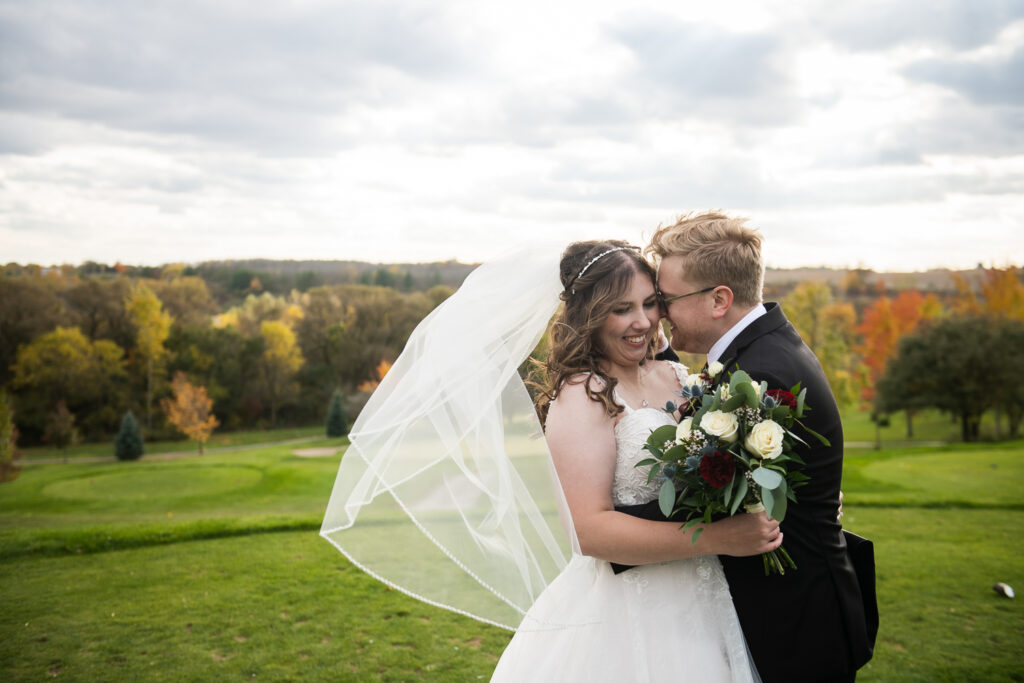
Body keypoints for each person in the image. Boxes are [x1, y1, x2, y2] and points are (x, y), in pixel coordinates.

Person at [489, 240, 780, 681]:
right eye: (622, 308)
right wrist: (721, 537)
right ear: (589, 314)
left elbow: (716, 475)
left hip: (708, 601)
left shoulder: (679, 377)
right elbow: (590, 531)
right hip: (629, 611)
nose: (642, 322)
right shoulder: (583, 394)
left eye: (650, 304)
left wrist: (776, 493)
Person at [645, 212, 874, 682]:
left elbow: (707, 503)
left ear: (719, 299)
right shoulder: (758, 350)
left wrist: (602, 527)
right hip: (797, 607)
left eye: (665, 300)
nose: (658, 313)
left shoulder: (761, 374)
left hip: (795, 623)